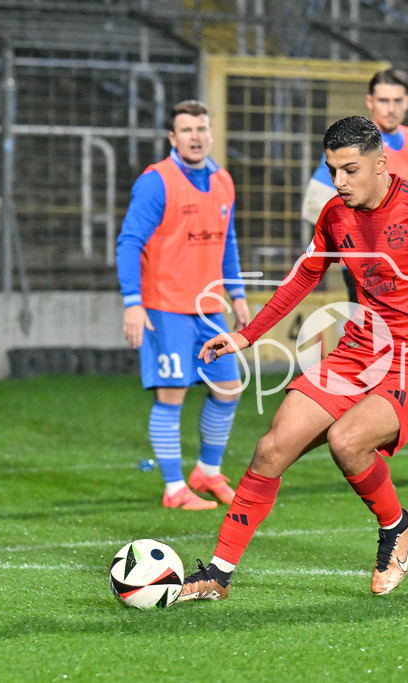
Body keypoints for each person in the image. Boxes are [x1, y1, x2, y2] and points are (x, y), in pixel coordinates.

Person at [178, 115, 408, 599]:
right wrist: (246, 336)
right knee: (271, 449)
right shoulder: (336, 214)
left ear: (380, 163)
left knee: (347, 440)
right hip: (360, 350)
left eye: (350, 170)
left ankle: (396, 525)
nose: (339, 182)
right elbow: (301, 278)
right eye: (333, 170)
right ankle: (217, 575)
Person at [301, 68, 408, 488]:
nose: (390, 108)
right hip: (369, 276)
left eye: (398, 100)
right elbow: (315, 202)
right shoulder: (351, 145)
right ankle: (353, 439)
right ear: (369, 103)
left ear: (407, 103)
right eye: (383, 100)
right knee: (382, 358)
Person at [116, 99, 251, 510]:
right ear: (173, 138)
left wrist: (238, 294)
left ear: (211, 134)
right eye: (187, 130)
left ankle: (206, 473)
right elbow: (129, 243)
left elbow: (227, 242)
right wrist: (132, 303)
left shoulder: (223, 181)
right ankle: (174, 488)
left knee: (228, 388)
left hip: (209, 310)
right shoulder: (157, 182)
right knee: (172, 393)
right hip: (165, 309)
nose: (196, 136)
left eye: (202, 129)